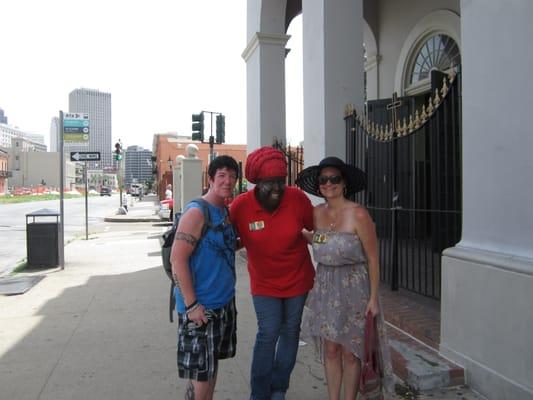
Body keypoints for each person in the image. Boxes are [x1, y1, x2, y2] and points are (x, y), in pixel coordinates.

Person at [295, 156, 393, 400]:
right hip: (326, 287)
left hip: (354, 288)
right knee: (330, 349)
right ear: (319, 185)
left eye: (335, 178)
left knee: (350, 351)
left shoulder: (359, 214)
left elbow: (372, 258)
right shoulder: (316, 214)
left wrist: (373, 298)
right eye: (324, 180)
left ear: (344, 183)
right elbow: (319, 240)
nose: (329, 183)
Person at [229, 146, 315, 400]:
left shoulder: (297, 199)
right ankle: (259, 394)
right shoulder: (241, 206)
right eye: (270, 183)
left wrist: (328, 240)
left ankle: (278, 390)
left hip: (298, 280)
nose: (277, 188)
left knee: (290, 332)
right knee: (268, 333)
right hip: (265, 283)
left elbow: (319, 229)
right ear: (257, 183)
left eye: (281, 181)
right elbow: (231, 239)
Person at [170, 155, 239, 400]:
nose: (227, 181)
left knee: (210, 369)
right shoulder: (197, 212)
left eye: (232, 176)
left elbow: (224, 246)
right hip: (201, 308)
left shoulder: (224, 211)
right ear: (210, 179)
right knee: (200, 375)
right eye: (221, 175)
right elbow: (177, 260)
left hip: (223, 304)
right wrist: (191, 306)